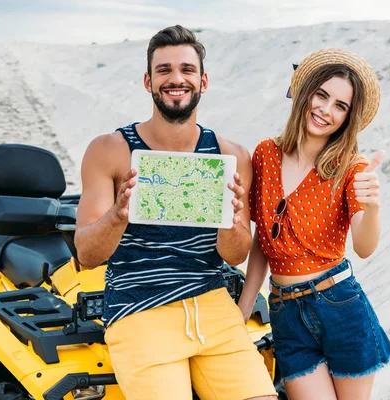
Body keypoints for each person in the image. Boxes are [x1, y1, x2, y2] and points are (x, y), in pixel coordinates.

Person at [74, 25, 277, 400]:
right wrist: (118, 215)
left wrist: (231, 222)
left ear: (203, 80)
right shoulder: (109, 150)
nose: (176, 78)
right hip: (139, 310)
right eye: (164, 70)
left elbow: (235, 255)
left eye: (186, 69)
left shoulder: (232, 155)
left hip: (214, 308)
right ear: (148, 81)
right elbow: (87, 255)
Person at [238, 48, 390, 400]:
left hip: (340, 306)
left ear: (347, 118)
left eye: (340, 106)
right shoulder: (265, 154)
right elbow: (265, 236)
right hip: (285, 313)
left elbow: (365, 248)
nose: (326, 110)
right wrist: (247, 302)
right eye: (322, 95)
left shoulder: (352, 168)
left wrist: (371, 204)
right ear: (305, 93)